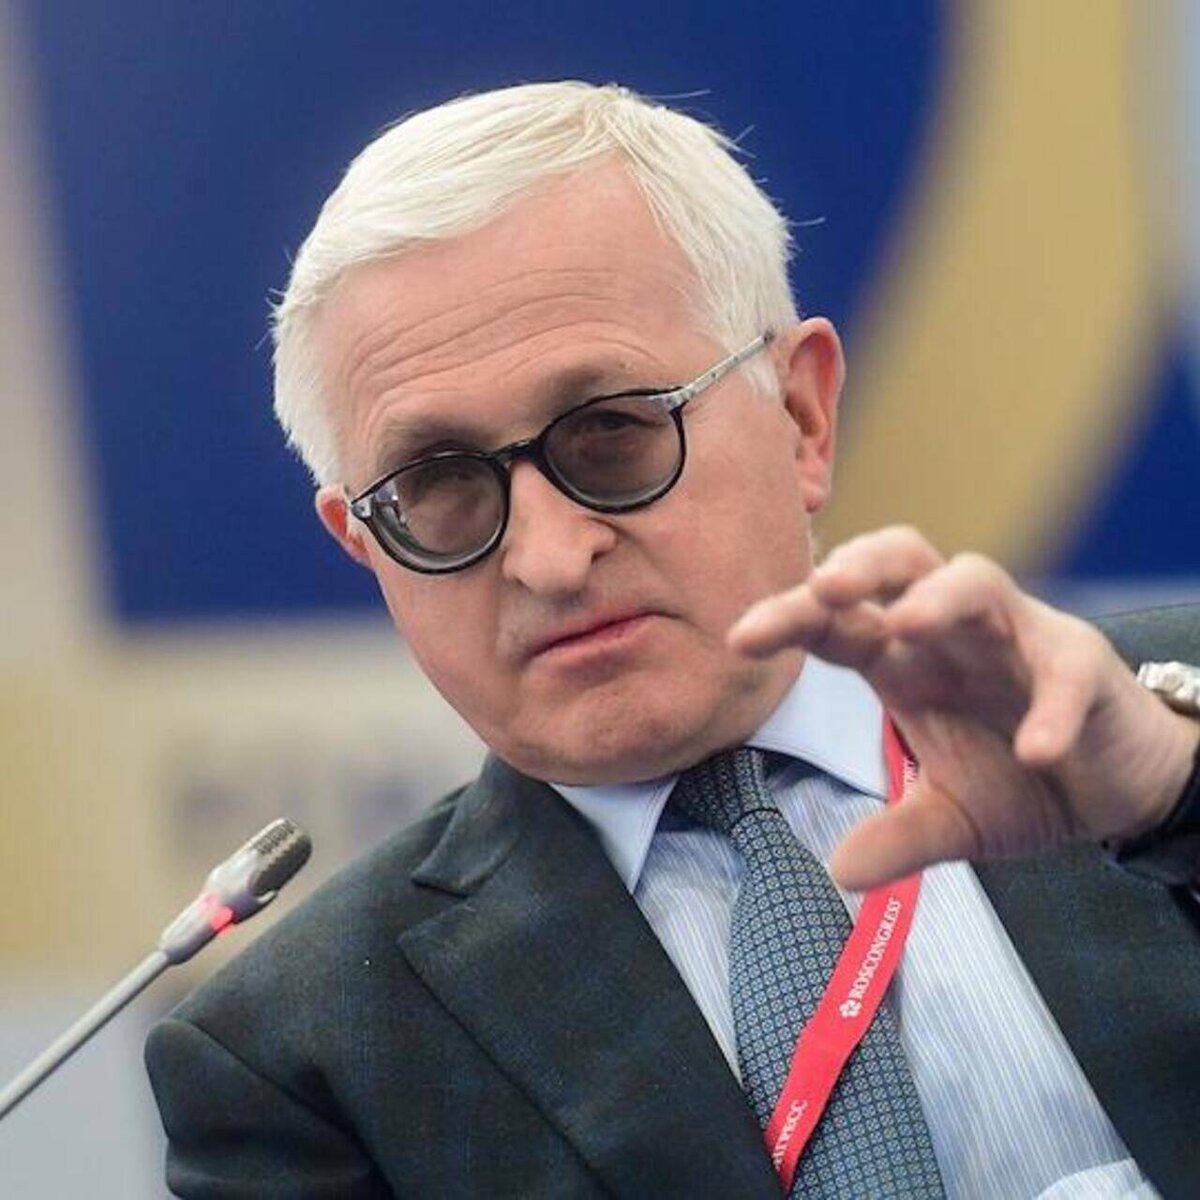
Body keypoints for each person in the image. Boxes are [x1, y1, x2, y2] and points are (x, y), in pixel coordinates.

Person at [145, 82, 1200, 1198]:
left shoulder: (1164, 736)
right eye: (439, 485)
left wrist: (1177, 797)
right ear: (366, 544)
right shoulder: (303, 1060)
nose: (552, 558)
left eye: (612, 430)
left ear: (801, 415)